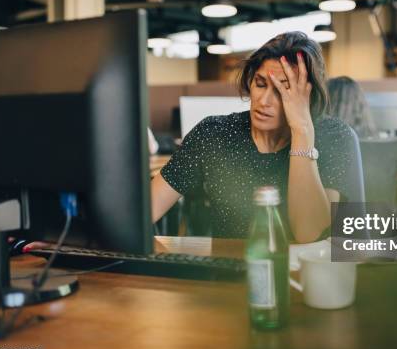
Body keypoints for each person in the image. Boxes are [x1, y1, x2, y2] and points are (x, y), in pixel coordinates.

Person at [151, 31, 358, 243]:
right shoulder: (214, 133)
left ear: (307, 97)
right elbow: (147, 209)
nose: (264, 101)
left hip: (303, 274)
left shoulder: (334, 136)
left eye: (281, 91)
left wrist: (302, 131)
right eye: (260, 84)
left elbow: (310, 234)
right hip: (228, 271)